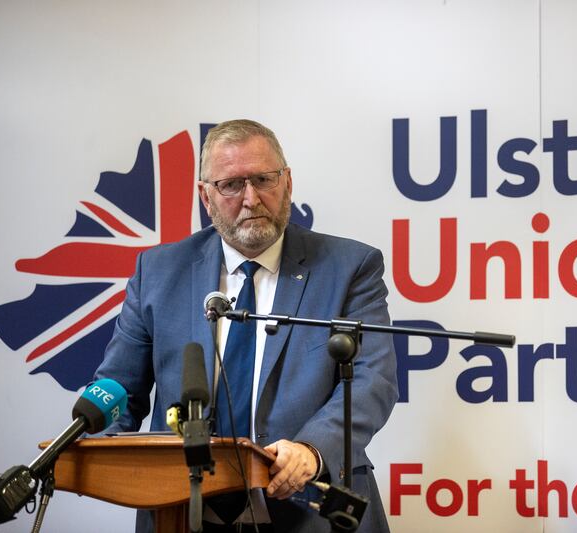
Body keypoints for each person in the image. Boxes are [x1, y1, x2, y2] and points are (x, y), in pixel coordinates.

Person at [94, 119, 398, 532]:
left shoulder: (349, 267)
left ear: (287, 182)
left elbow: (372, 381)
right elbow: (119, 390)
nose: (251, 199)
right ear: (206, 196)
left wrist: (311, 450)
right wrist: (108, 458)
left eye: (263, 179)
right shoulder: (159, 272)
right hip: (182, 511)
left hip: (311, 509)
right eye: (231, 185)